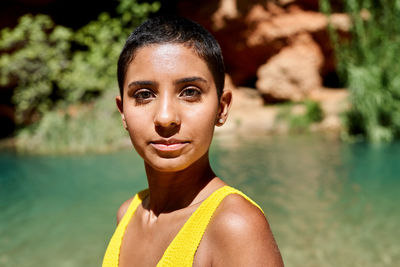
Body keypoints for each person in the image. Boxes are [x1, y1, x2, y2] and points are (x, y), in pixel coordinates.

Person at [102, 15, 284, 267]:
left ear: (221, 108)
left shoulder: (234, 225)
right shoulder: (128, 213)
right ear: (123, 113)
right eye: (144, 95)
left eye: (190, 92)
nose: (165, 117)